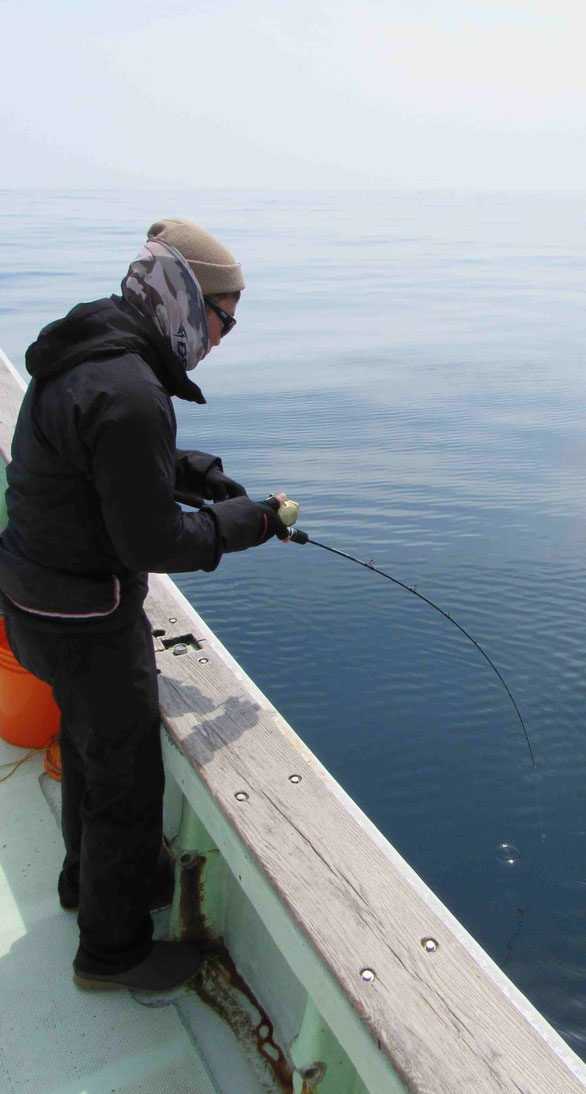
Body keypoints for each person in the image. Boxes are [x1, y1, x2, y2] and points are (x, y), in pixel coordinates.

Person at [0, 218, 290, 992]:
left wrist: (201, 471)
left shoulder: (90, 349)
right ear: (189, 301)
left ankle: (81, 881)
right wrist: (248, 522)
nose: (224, 338)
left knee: (92, 754)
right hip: (88, 623)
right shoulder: (130, 390)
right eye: (225, 318)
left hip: (34, 604)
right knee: (126, 779)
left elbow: (111, 465)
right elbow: (152, 543)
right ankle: (113, 950)